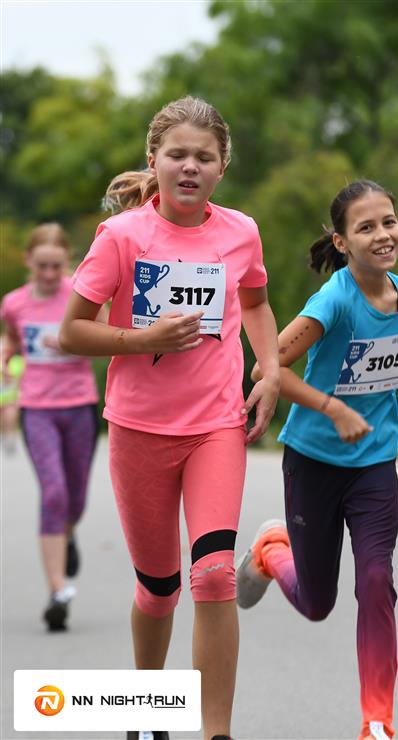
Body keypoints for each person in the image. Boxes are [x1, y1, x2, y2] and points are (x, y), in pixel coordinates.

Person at [59, 96, 280, 740]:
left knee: (213, 574)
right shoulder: (122, 237)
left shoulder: (241, 232)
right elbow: (72, 331)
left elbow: (257, 304)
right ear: (153, 160)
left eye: (204, 157)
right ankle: (147, 708)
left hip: (216, 426)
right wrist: (142, 339)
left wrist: (269, 370)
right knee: (159, 588)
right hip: (139, 429)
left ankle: (215, 732)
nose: (190, 166)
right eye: (177, 155)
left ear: (222, 167)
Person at [235, 180, 398, 740]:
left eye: (388, 222)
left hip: (374, 463)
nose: (383, 235)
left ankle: (377, 722)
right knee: (317, 602)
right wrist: (331, 408)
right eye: (366, 227)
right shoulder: (333, 301)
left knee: (376, 578)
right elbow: (266, 368)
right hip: (315, 462)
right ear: (342, 242)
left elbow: (391, 351)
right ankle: (272, 550)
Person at [1, 223, 101, 631]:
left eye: (55, 266)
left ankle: (67, 534)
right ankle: (58, 590)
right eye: (41, 266)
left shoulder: (81, 293)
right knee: (54, 492)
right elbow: (11, 340)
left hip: (79, 406)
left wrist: (72, 341)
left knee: (75, 498)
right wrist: (5, 358)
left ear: (67, 263)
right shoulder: (13, 303)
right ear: (28, 261)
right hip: (37, 409)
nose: (48, 274)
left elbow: (108, 335)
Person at [0, 342, 24, 454]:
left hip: (11, 398)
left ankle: (10, 438)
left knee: (9, 419)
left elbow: (21, 379)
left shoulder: (18, 362)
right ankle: (4, 436)